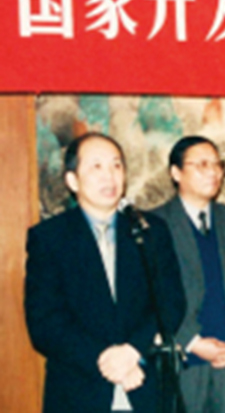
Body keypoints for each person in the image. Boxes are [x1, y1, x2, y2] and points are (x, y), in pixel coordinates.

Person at [24, 132, 186, 413]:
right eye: (96, 166)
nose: (109, 176)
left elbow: (171, 301)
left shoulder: (149, 230)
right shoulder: (49, 238)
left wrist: (133, 351)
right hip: (79, 391)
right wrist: (108, 362)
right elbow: (45, 323)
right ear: (72, 180)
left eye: (116, 165)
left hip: (147, 386)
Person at [151, 135, 225, 413]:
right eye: (202, 164)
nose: (213, 172)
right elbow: (152, 296)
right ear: (176, 173)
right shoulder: (155, 224)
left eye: (217, 164)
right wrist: (192, 342)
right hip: (184, 365)